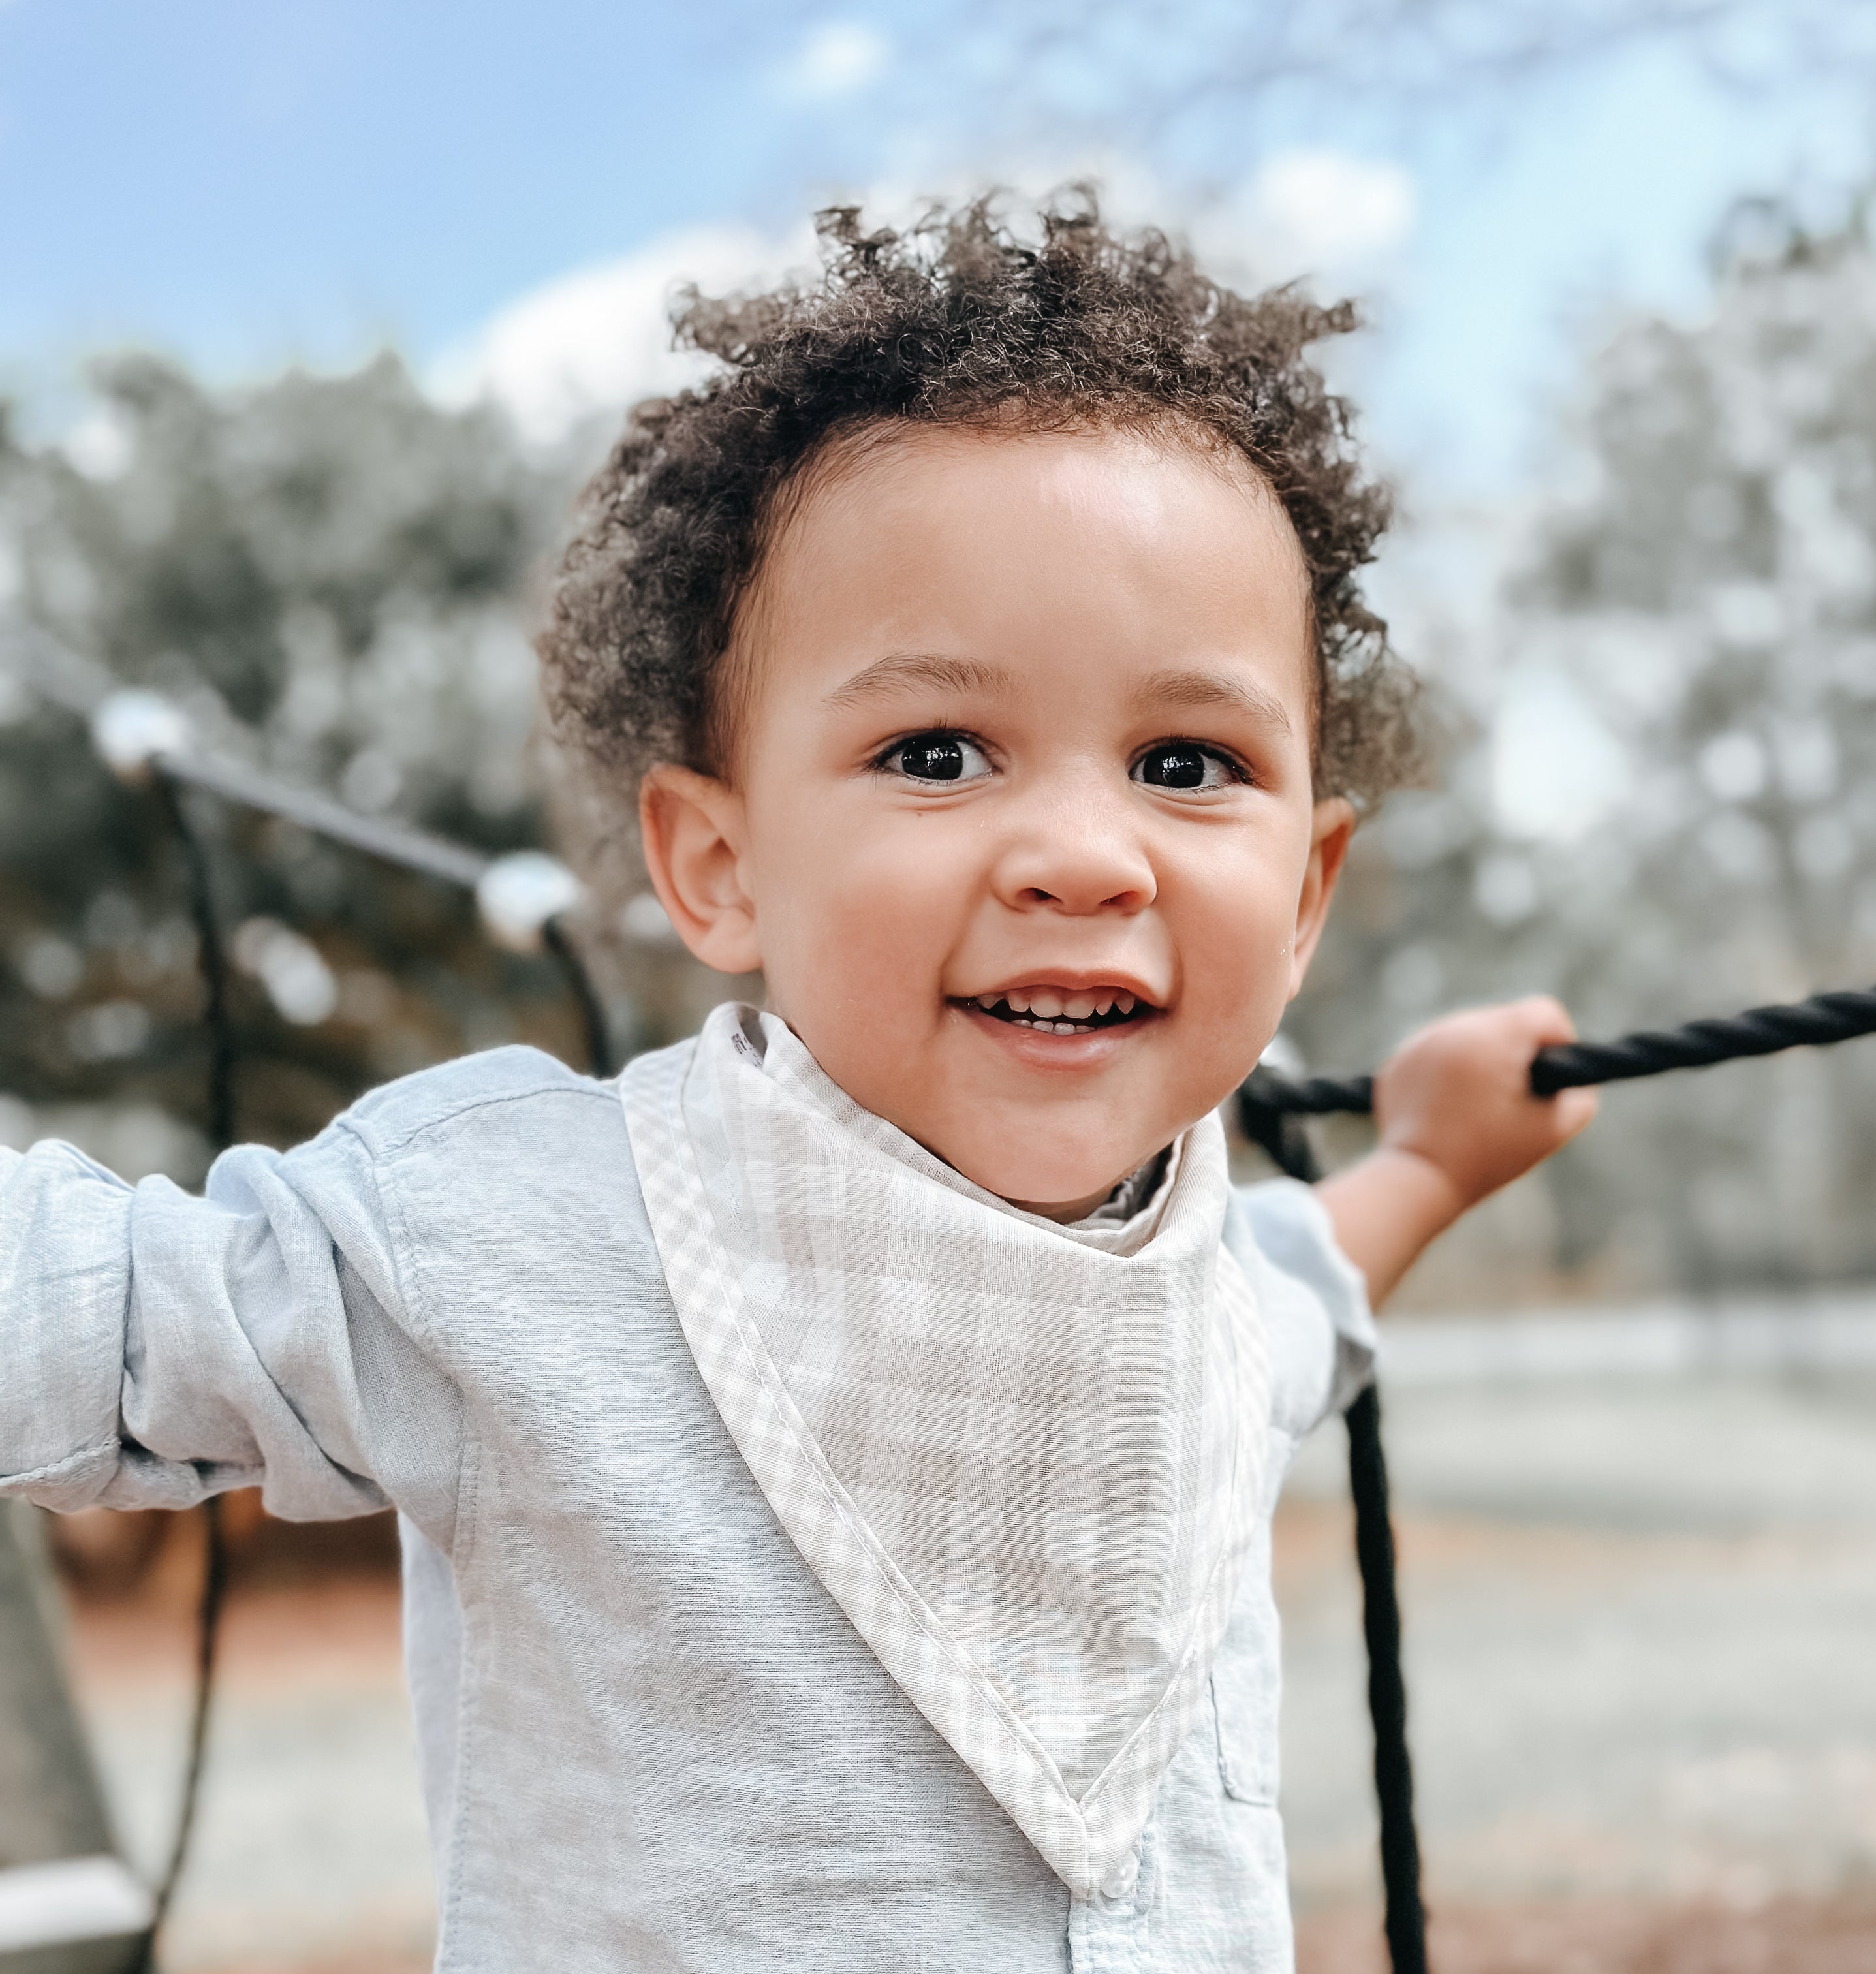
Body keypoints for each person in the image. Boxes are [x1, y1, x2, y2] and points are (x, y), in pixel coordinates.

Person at [1, 199, 1595, 1971]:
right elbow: (101, 1321)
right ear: (718, 867)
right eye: (936, 751)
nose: (1084, 853)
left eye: (1184, 760)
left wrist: (1439, 1164)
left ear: (1303, 896)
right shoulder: (517, 1243)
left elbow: (1298, 1302)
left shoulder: (1201, 1290)